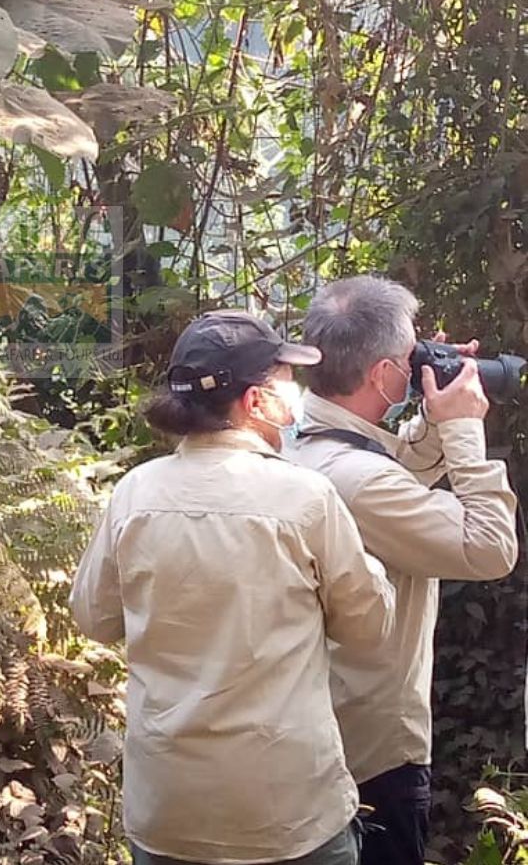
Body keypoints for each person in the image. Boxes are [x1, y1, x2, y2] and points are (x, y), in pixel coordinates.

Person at [71, 310, 396, 865]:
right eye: (286, 379)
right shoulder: (305, 498)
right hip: (287, 810)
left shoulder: (135, 493)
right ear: (253, 402)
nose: (296, 394)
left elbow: (93, 618)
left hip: (167, 808)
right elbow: (370, 630)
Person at [291, 277, 517, 865]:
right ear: (382, 374)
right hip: (371, 757)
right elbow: (489, 548)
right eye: (409, 358)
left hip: (320, 737)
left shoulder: (298, 440)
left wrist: (429, 407)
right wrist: (465, 427)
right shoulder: (355, 480)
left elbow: (387, 468)